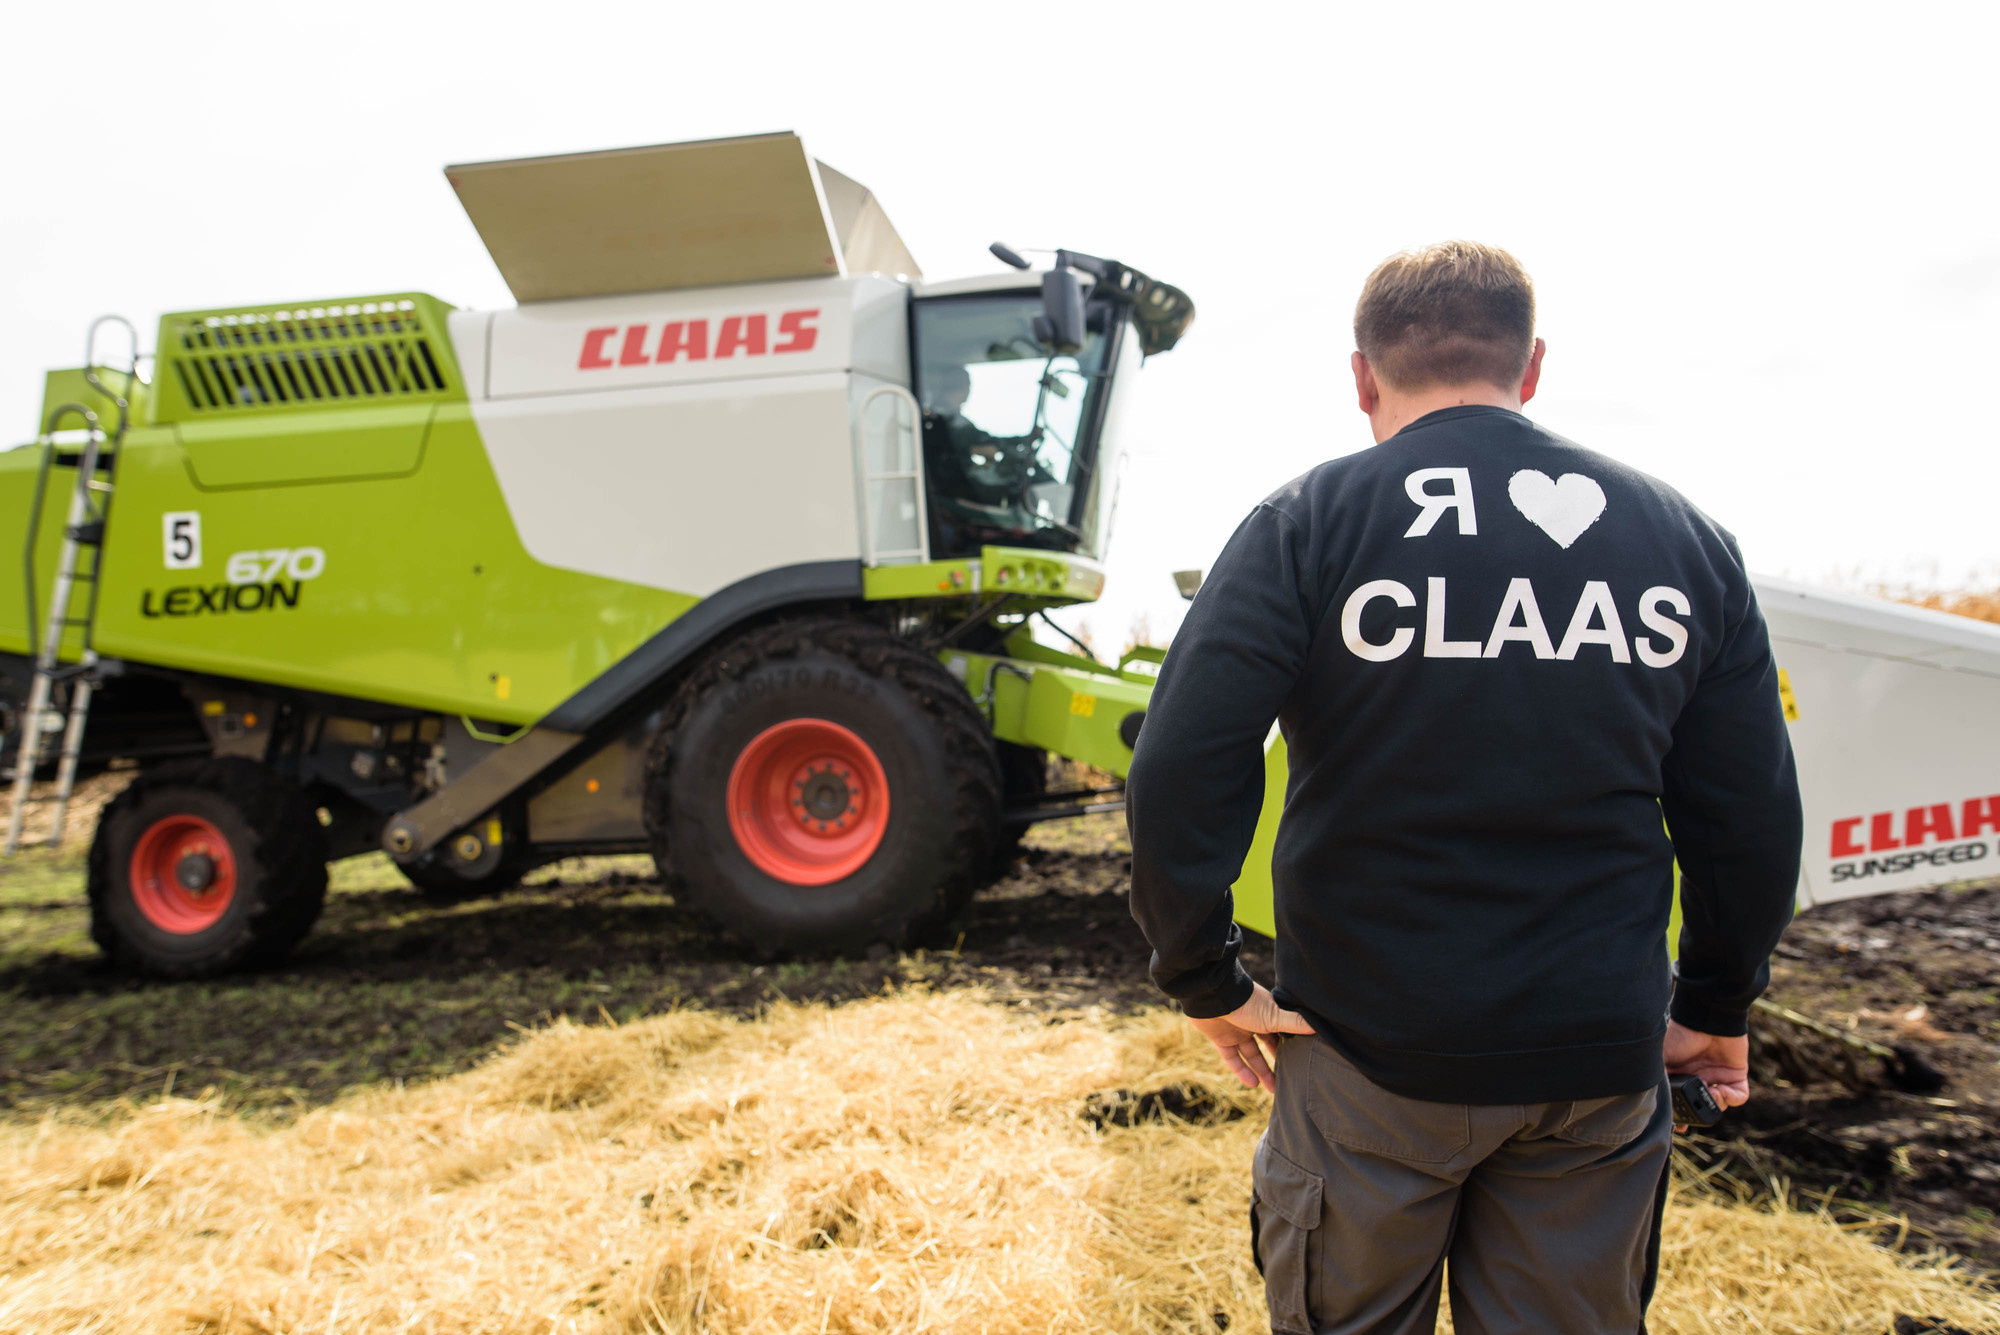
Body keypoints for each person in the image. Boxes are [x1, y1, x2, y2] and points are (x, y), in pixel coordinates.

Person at [1125, 241, 1802, 1334]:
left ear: (1361, 378)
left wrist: (1200, 972)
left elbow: (1183, 761)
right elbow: (1748, 812)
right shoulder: (1684, 543)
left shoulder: (1309, 521)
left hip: (1365, 1057)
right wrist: (1715, 1003)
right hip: (1593, 1058)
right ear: (1529, 367)